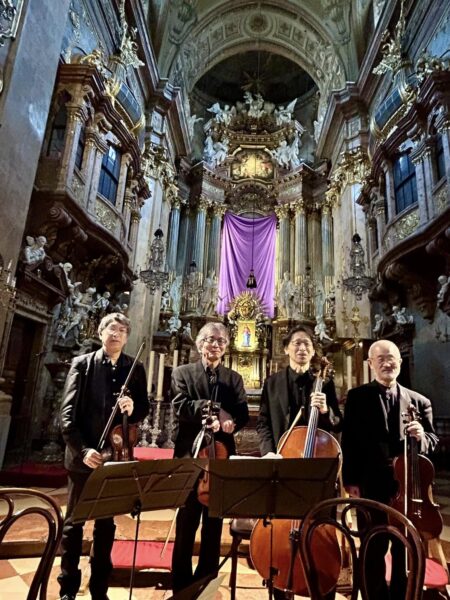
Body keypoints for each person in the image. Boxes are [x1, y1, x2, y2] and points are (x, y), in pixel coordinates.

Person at [58, 313, 148, 600]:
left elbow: (144, 408)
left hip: (114, 459)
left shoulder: (135, 367)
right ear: (100, 332)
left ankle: (99, 589)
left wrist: (133, 407)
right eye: (112, 328)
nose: (116, 334)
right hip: (83, 458)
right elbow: (67, 417)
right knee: (73, 525)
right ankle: (68, 589)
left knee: (106, 525)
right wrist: (83, 450)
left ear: (127, 336)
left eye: (122, 330)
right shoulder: (82, 365)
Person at [342, 339, 438, 599]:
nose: (387, 363)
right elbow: (349, 442)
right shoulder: (357, 397)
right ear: (371, 364)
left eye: (391, 358)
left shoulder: (419, 401)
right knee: (373, 545)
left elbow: (433, 441)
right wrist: (351, 481)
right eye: (380, 359)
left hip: (408, 487)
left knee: (403, 547)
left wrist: (422, 436)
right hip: (370, 484)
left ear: (400, 362)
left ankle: (400, 595)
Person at [256, 325, 342, 600]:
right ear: (286, 349)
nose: (302, 348)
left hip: (316, 472)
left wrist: (326, 410)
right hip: (282, 467)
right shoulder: (272, 383)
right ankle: (281, 585)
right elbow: (264, 423)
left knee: (321, 530)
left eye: (307, 344)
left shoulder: (324, 383)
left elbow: (337, 423)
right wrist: (269, 452)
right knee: (280, 531)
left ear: (313, 351)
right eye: (297, 343)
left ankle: (321, 587)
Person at [170, 322, 249, 594]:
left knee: (213, 525)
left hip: (220, 457)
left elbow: (242, 414)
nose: (215, 345)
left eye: (221, 341)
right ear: (200, 343)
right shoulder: (182, 373)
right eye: (210, 339)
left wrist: (230, 423)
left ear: (226, 348)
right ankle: (181, 587)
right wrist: (214, 409)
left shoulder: (233, 379)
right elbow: (180, 405)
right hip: (189, 456)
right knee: (186, 524)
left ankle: (206, 584)